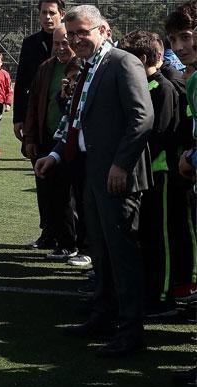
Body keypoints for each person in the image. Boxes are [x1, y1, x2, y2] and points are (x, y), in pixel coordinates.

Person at [35, 5, 154, 358]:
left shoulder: (122, 62)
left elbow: (142, 118)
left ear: (104, 29)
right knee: (101, 253)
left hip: (119, 178)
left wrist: (121, 165)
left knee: (123, 257)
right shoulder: (90, 67)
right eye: (71, 35)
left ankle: (131, 332)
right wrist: (55, 154)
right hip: (93, 174)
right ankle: (103, 318)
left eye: (83, 32)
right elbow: (76, 123)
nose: (76, 40)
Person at [119, 30, 184, 318]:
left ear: (142, 58)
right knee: (146, 234)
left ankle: (164, 296)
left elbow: (162, 134)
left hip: (161, 172)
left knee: (162, 237)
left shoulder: (164, 88)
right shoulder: (143, 85)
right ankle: (150, 288)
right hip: (144, 173)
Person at [23, 26, 81, 261]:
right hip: (48, 139)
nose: (60, 48)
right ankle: (56, 237)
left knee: (70, 196)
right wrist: (30, 138)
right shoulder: (46, 68)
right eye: (56, 43)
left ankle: (74, 243)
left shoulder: (83, 67)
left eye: (65, 42)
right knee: (51, 194)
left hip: (73, 141)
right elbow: (34, 104)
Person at [164, 0, 197, 307]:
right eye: (174, 39)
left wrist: (192, 157)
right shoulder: (189, 76)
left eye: (186, 36)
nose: (180, 46)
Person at [13, 0, 65, 144]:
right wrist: (18, 117)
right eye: (44, 12)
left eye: (52, 13)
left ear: (62, 14)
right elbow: (22, 82)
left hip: (64, 115)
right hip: (36, 114)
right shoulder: (30, 43)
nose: (47, 17)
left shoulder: (73, 42)